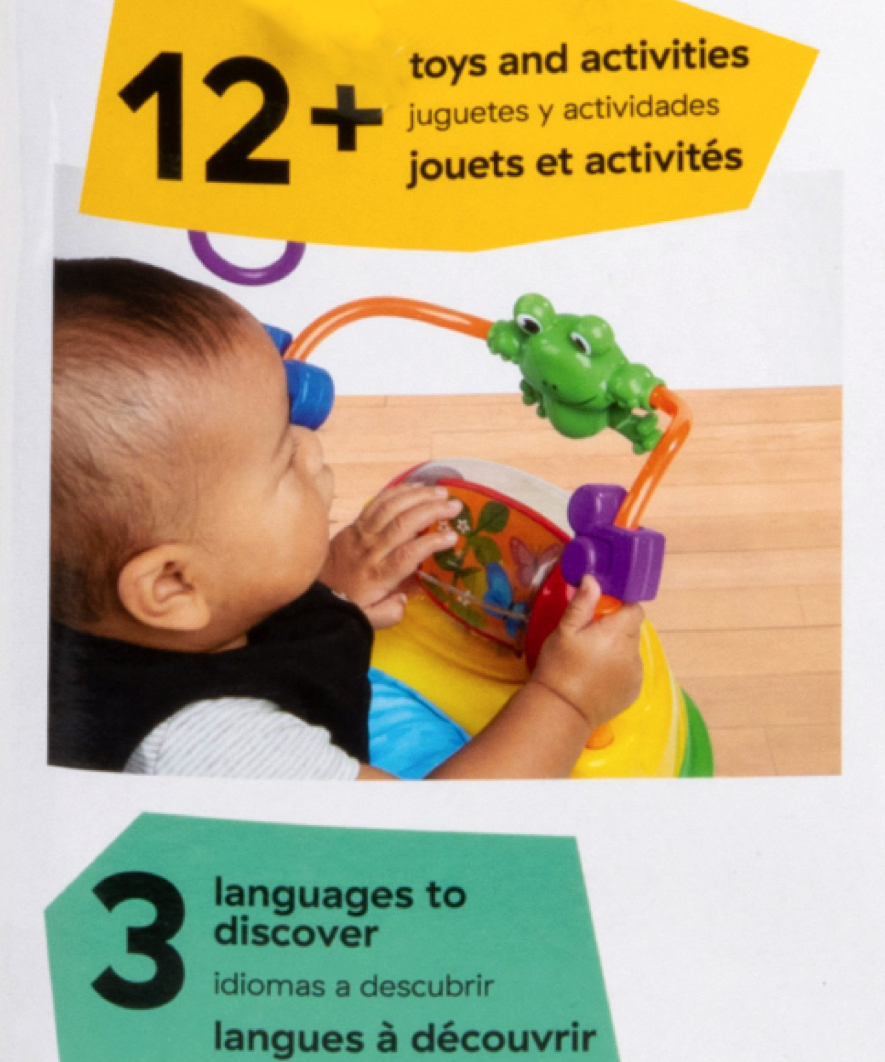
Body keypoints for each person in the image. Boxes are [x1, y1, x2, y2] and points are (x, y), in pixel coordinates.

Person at [46, 259, 648, 779]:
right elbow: (432, 843)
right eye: (284, 457)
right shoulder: (211, 747)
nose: (314, 450)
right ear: (174, 585)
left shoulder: (114, 610)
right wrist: (567, 698)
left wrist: (330, 594)